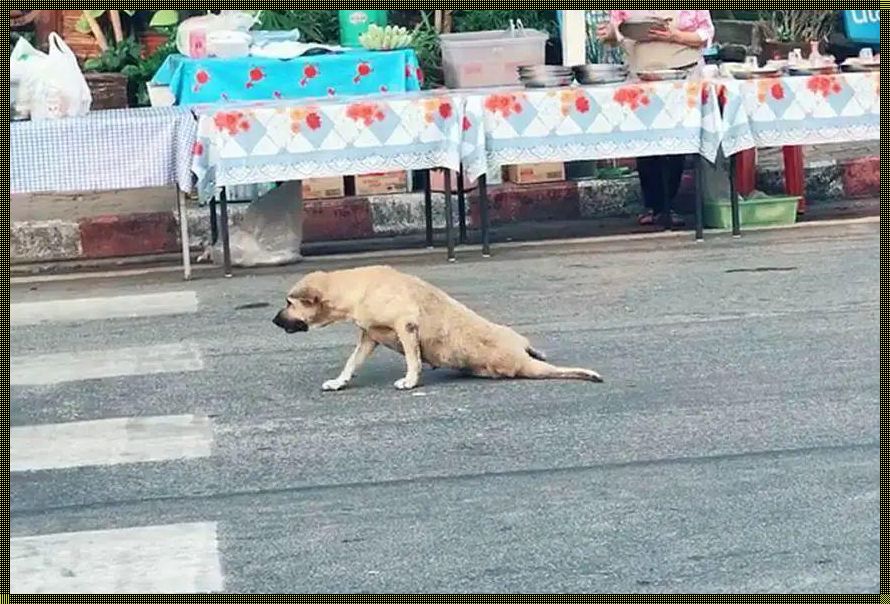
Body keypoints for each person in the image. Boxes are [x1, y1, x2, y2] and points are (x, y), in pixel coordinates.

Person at [597, 11, 715, 227]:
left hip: (682, 76)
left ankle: (669, 205)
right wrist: (610, 34)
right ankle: (652, 205)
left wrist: (675, 36)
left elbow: (705, 33)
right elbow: (618, 31)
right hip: (642, 77)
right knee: (646, 141)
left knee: (677, 140)